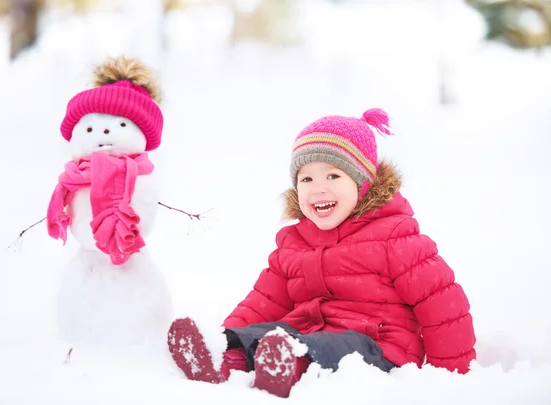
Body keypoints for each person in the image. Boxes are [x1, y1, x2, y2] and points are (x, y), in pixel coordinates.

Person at [167, 108, 476, 398]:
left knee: (317, 345)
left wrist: (449, 378)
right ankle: (223, 358)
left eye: (333, 176)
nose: (317, 188)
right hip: (302, 337)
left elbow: (444, 306)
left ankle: (289, 367)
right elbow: (263, 302)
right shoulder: (294, 242)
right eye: (306, 179)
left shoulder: (396, 238)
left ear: (364, 184)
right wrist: (230, 333)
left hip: (377, 348)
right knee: (264, 333)